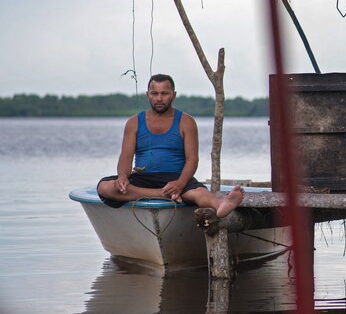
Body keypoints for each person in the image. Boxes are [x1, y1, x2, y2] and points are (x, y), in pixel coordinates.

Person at [97, 74, 244, 217]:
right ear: (147, 95)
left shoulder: (186, 121)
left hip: (176, 179)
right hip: (143, 179)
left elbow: (192, 159)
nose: (159, 98)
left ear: (173, 95)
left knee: (199, 193)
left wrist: (180, 184)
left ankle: (220, 205)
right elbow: (125, 157)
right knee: (104, 187)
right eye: (154, 93)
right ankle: (163, 195)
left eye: (164, 93)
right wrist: (122, 177)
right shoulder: (134, 122)